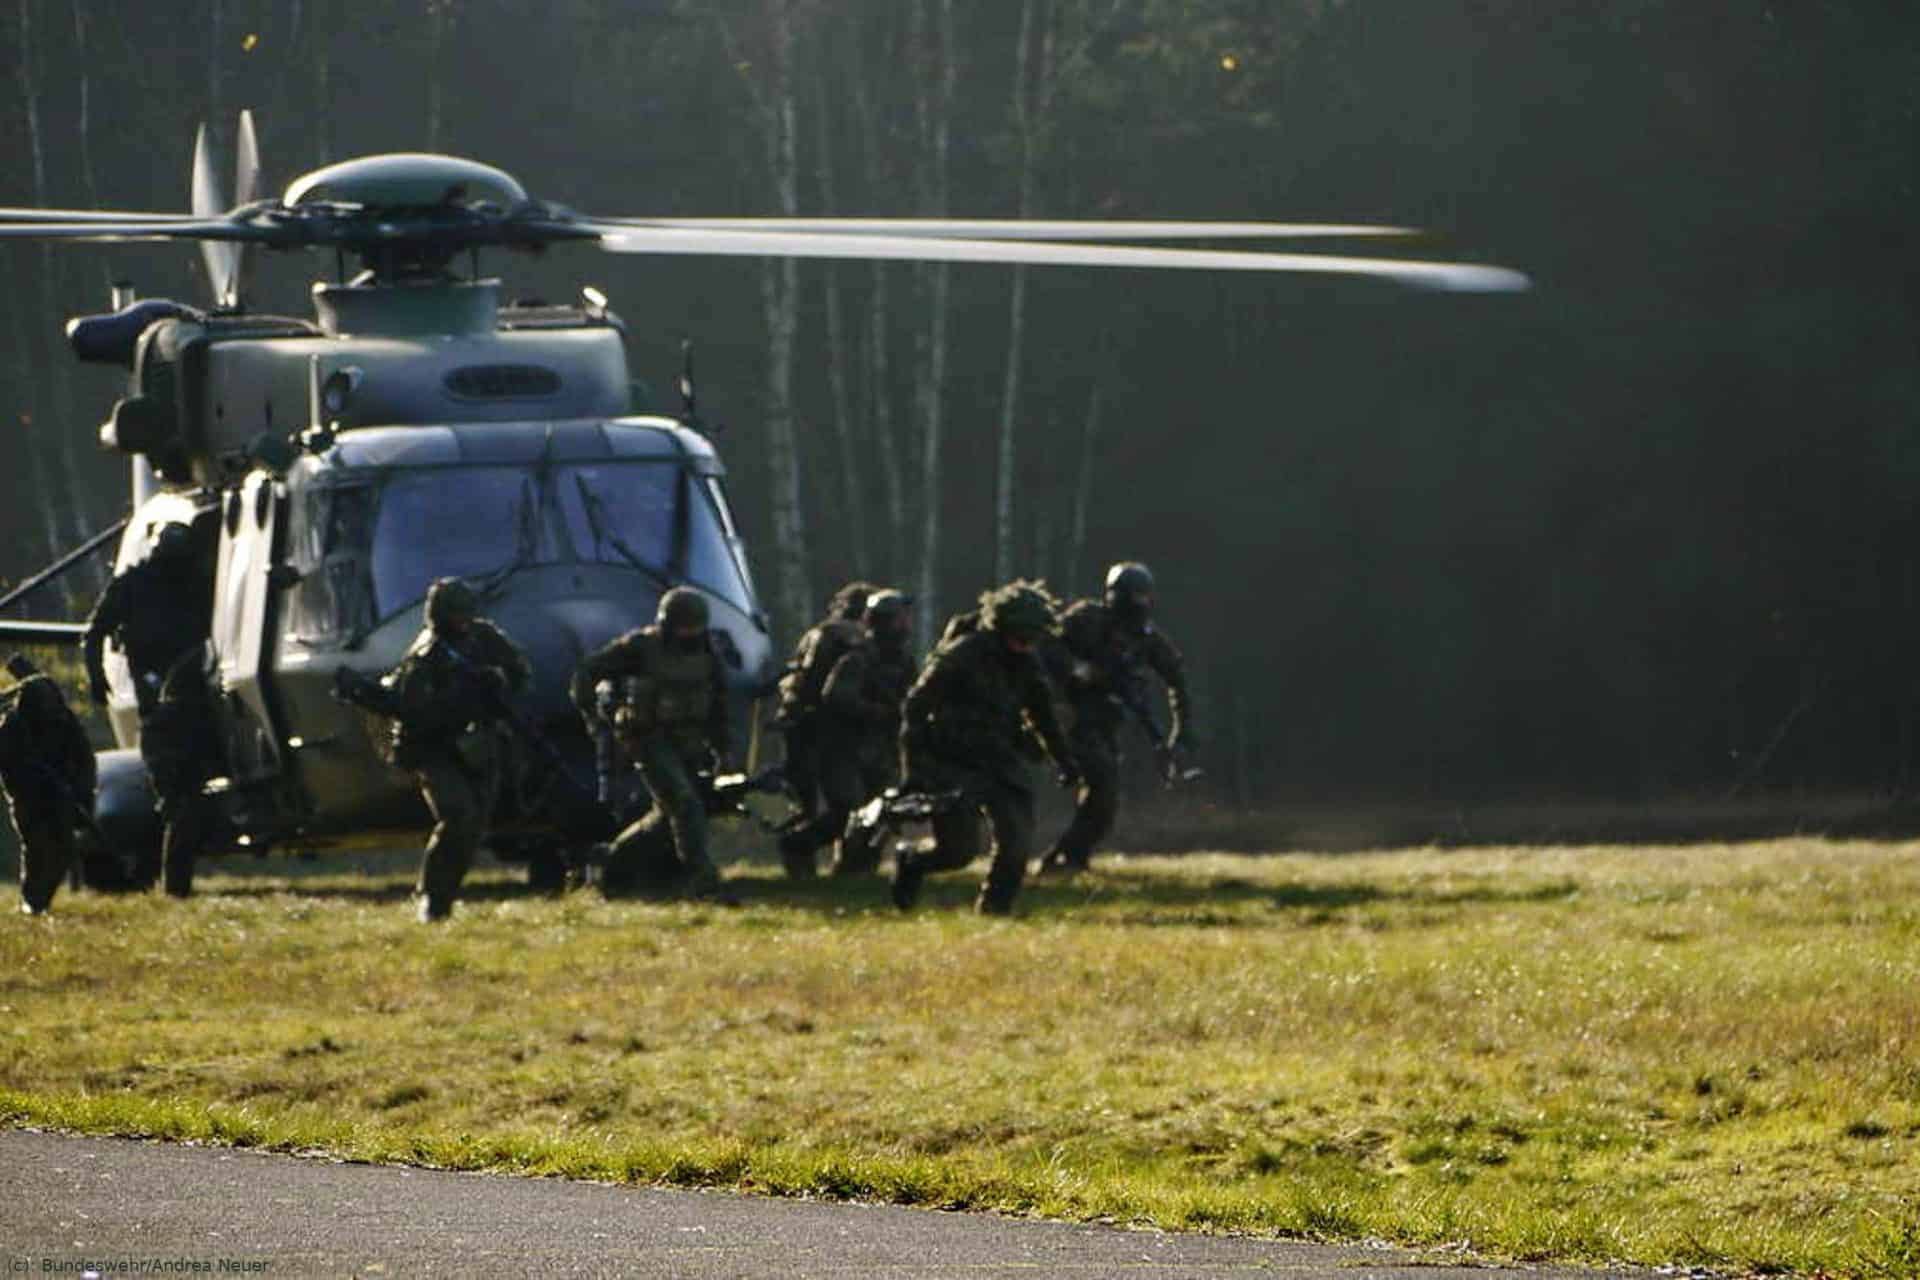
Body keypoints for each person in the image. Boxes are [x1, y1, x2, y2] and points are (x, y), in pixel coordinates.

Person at [891, 581, 1080, 916]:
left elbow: (1044, 717)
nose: (1027, 643)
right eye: (1022, 635)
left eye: (1033, 636)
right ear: (1003, 626)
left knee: (1016, 844)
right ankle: (912, 862)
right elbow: (915, 709)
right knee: (958, 852)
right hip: (953, 762)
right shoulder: (962, 655)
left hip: (999, 761)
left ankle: (994, 911)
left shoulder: (1027, 663)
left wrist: (1064, 761)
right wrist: (915, 771)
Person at [570, 587, 736, 902]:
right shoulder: (641, 647)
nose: (690, 632)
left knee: (665, 816)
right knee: (685, 805)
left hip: (689, 741)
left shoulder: (708, 652)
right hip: (648, 738)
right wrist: (595, 716)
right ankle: (704, 883)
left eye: (695, 626)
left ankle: (609, 862)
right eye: (684, 625)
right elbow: (587, 673)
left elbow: (719, 705)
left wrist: (723, 751)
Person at [1036, 561, 1195, 876]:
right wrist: (1077, 669)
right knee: (1103, 785)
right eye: (1134, 595)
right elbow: (1045, 644)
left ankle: (1071, 857)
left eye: (1144, 596)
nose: (1140, 603)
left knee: (1105, 798)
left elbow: (1177, 680)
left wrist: (1182, 732)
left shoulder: (1147, 638)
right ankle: (1063, 857)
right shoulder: (1087, 620)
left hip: (1104, 722)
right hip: (1068, 717)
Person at [387, 577, 532, 921]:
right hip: (437, 751)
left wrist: (498, 679)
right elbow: (413, 708)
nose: (462, 622)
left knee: (474, 827)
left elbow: (521, 674)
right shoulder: (425, 653)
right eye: (455, 615)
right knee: (458, 817)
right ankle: (433, 898)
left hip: (480, 745)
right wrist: (453, 698)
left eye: (465, 614)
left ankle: (444, 896)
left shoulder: (486, 639)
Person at [777, 588, 916, 877]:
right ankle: (798, 844)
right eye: (899, 621)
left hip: (880, 747)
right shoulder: (857, 659)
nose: (905, 626)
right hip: (844, 748)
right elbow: (837, 697)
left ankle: (855, 871)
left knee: (880, 813)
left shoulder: (903, 661)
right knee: (847, 813)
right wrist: (879, 712)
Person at [772, 580, 874, 875]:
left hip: (804, 726)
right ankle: (811, 857)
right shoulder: (842, 637)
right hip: (821, 729)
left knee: (804, 802)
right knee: (841, 804)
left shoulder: (820, 634)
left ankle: (804, 864)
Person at [0, 655, 97, 915]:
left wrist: (80, 790)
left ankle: (40, 899)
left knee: (62, 849)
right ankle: (33, 901)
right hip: (29, 797)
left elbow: (84, 757)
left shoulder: (63, 722)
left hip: (62, 794)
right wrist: (33, 786)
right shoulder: (13, 727)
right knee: (36, 848)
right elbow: (11, 767)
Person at [83, 522, 210, 714]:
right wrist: (97, 677)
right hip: (152, 673)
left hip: (191, 673)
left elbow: (95, 633)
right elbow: (95, 633)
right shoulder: (132, 584)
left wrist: (97, 677)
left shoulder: (196, 583)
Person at [139, 645, 223, 897]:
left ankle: (174, 888)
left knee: (179, 828)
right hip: (182, 775)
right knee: (181, 829)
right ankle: (174, 888)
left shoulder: (166, 713)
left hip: (180, 774)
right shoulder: (184, 712)